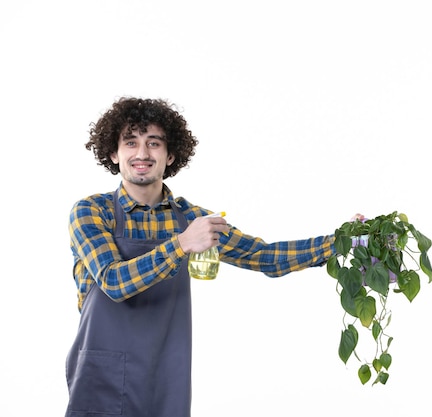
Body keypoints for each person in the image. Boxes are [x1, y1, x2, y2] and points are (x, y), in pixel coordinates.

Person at [65, 97, 356, 417]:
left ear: (171, 154)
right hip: (101, 372)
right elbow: (113, 281)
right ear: (113, 153)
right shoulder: (91, 211)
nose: (142, 153)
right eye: (131, 142)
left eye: (154, 143)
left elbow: (264, 256)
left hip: (165, 374)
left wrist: (343, 241)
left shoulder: (193, 219)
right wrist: (181, 245)